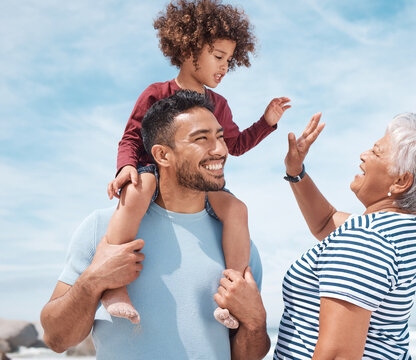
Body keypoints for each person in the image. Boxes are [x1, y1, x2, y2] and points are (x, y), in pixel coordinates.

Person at [40, 91, 270, 360]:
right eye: (201, 139)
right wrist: (94, 281)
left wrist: (255, 321)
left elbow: (246, 355)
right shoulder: (102, 226)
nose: (220, 149)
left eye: (220, 137)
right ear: (162, 155)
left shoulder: (237, 241)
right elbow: (56, 340)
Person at [103, 0, 291, 326]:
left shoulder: (219, 104)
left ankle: (232, 294)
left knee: (236, 209)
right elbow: (132, 138)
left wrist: (266, 121)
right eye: (218, 57)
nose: (224, 67)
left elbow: (236, 145)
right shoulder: (156, 93)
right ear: (189, 49)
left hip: (200, 183)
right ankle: (114, 287)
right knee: (137, 189)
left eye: (229, 61)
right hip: (155, 172)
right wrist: (126, 168)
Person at [269, 112, 416, 359]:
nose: (363, 155)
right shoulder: (401, 226)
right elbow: (325, 222)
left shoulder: (367, 241)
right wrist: (295, 172)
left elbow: (337, 355)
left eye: (376, 152)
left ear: (401, 181)